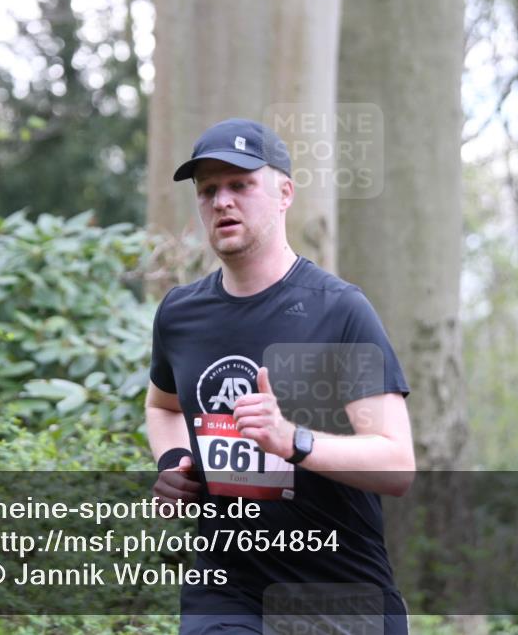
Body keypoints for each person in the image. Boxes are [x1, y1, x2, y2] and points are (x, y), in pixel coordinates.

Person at [145, 118, 416, 634]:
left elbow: (396, 464)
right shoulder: (181, 315)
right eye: (208, 191)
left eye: (240, 184)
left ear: (284, 192)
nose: (222, 201)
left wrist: (293, 440)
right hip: (226, 588)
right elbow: (163, 406)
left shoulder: (338, 310)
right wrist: (176, 461)